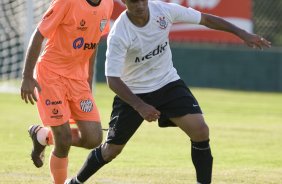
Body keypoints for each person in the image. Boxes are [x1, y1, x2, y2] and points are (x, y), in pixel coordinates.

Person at [65, 0, 271, 183]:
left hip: (167, 83)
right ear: (124, 3)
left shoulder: (163, 11)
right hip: (134, 92)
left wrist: (243, 33)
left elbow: (206, 19)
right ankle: (75, 181)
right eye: (133, 2)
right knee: (111, 151)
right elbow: (112, 80)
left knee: (200, 130)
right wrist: (140, 106)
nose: (139, 5)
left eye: (141, 0)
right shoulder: (119, 32)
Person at [20, 0, 113, 183]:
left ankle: (42, 135)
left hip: (78, 79)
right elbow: (38, 35)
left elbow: (92, 43)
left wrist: (88, 78)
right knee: (63, 140)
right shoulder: (67, 1)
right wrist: (27, 76)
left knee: (93, 139)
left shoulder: (107, 4)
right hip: (51, 74)